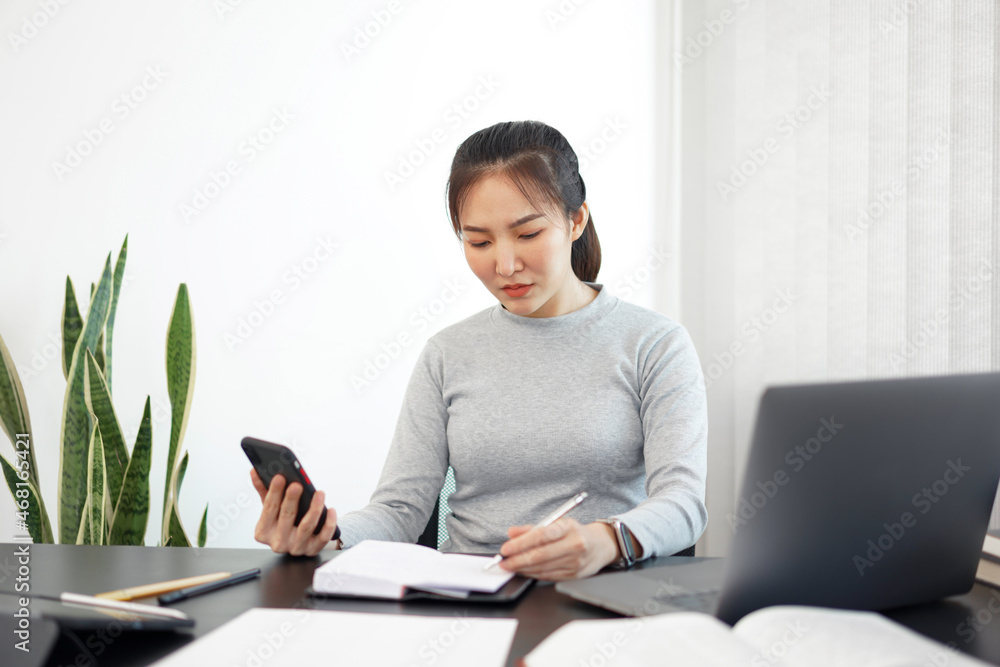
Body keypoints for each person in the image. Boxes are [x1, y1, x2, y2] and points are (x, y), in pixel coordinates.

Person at [251, 120, 707, 581]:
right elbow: (399, 509)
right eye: (479, 242)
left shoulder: (654, 344)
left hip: (600, 591)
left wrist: (607, 541)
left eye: (528, 234)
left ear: (576, 221)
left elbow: (683, 502)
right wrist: (328, 536)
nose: (505, 265)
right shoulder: (447, 353)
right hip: (466, 595)